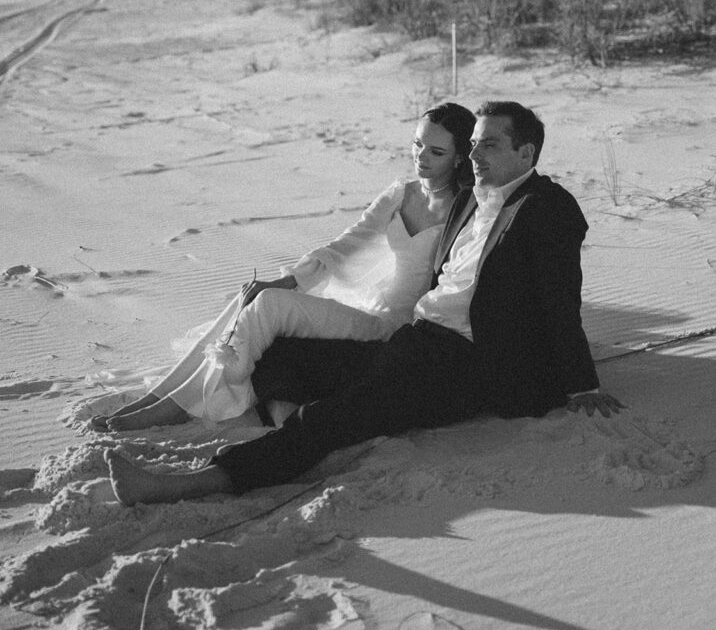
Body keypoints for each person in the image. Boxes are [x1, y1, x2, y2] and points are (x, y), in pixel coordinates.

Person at [107, 100, 624, 506]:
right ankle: (257, 418)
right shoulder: (474, 199)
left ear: (526, 154)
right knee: (282, 353)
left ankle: (191, 483)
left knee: (336, 417)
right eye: (471, 146)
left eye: (488, 145)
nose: (474, 155)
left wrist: (581, 383)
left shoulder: (546, 208)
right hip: (413, 340)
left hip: (463, 364)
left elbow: (560, 300)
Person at [93, 102, 476, 432]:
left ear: (460, 157)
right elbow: (345, 245)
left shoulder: (465, 212)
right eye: (416, 144)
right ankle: (164, 396)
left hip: (394, 328)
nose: (421, 158)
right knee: (254, 296)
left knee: (271, 305)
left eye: (436, 152)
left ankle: (176, 407)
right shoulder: (400, 194)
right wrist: (287, 279)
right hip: (364, 308)